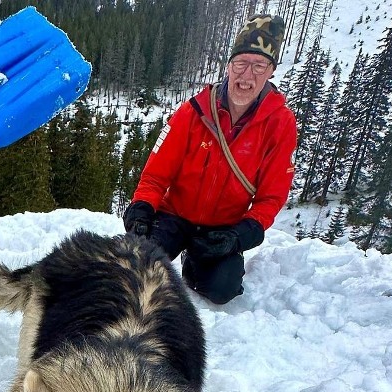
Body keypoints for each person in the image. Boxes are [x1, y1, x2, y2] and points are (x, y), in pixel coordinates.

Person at [123, 15, 297, 304]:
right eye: (241, 63)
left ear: (271, 71)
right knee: (136, 270)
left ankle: (195, 263)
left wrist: (240, 235)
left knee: (221, 289)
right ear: (229, 66)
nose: (247, 75)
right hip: (174, 216)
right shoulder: (193, 112)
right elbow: (156, 175)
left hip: (223, 229)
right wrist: (141, 208)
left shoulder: (281, 124)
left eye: (259, 66)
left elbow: (271, 197)